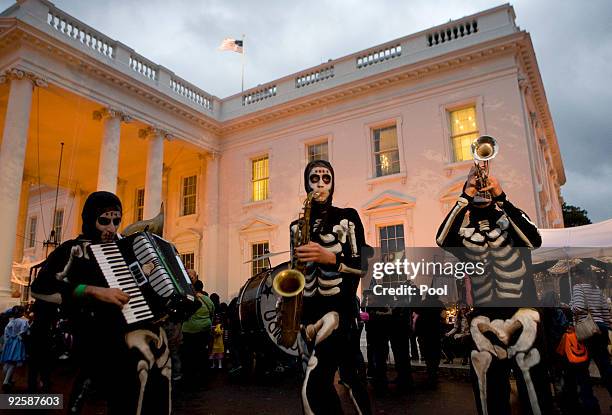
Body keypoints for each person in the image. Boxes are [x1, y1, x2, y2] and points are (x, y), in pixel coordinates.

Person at [30, 191, 171, 414]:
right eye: (104, 221)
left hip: (127, 337)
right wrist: (91, 291)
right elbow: (40, 288)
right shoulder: (74, 249)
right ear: (89, 219)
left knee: (137, 391)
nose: (112, 228)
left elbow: (141, 288)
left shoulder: (126, 249)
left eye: (116, 221)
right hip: (92, 339)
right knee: (86, 392)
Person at [436, 166, 551, 415]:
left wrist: (501, 196)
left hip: (523, 315)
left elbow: (533, 240)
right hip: (485, 319)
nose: (480, 184)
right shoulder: (464, 236)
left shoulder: (510, 221)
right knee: (490, 398)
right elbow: (442, 238)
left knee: (536, 395)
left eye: (483, 179)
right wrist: (464, 196)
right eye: (474, 180)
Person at [293, 159, 371, 414]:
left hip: (339, 313)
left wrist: (331, 258)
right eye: (314, 179)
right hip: (308, 317)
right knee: (349, 378)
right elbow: (296, 275)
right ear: (306, 184)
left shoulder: (347, 217)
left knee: (313, 388)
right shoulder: (297, 227)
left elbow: (365, 265)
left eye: (326, 179)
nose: (321, 184)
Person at [571, 263, 612, 403]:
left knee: (582, 369)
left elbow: (578, 308)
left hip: (588, 331)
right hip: (601, 329)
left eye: (576, 274)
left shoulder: (578, 288)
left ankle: (590, 403)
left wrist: (569, 306)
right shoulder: (598, 290)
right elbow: (606, 312)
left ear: (580, 275)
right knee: (606, 367)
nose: (575, 276)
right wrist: (604, 326)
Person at [181, 279, 214, 381]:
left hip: (189, 330)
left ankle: (190, 376)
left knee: (189, 354)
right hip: (204, 329)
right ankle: (203, 375)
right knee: (202, 352)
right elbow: (212, 312)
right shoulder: (207, 300)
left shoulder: (190, 299)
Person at [1, 306, 29, 391]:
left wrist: (5, 343)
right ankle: (6, 382)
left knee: (7, 363)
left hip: (9, 342)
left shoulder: (10, 322)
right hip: (17, 343)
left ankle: (9, 380)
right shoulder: (24, 321)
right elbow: (25, 332)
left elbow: (6, 333)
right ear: (21, 313)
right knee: (13, 363)